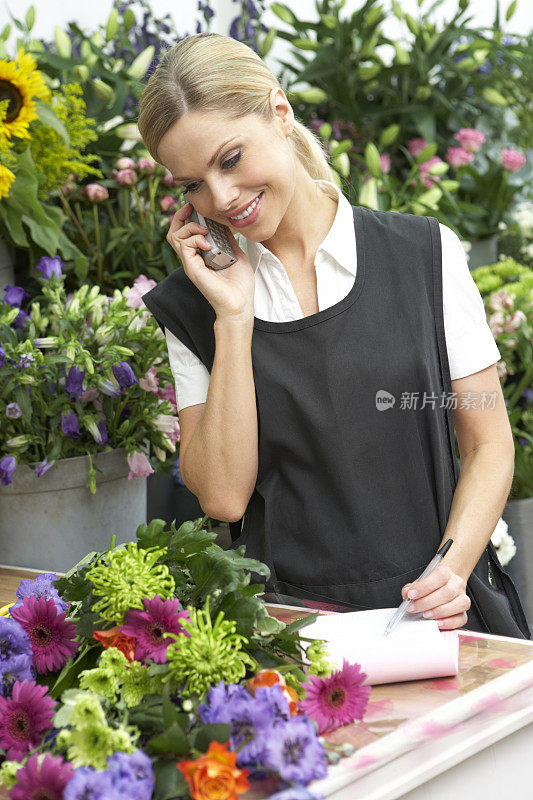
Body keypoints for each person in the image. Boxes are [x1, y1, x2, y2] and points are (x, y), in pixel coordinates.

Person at [138, 32, 529, 639]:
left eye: (231, 159)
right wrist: (234, 318)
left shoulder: (424, 255)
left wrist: (451, 572)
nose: (220, 198)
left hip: (442, 623)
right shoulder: (196, 307)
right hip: (293, 641)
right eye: (191, 184)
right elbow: (223, 498)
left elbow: (487, 443)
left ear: (280, 112)